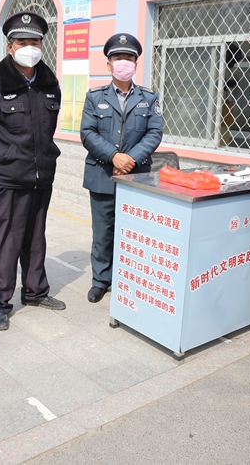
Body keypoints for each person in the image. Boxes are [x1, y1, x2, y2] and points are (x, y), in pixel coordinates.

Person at [0, 11, 66, 331]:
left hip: (41, 177)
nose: (29, 47)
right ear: (10, 47)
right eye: (22, 42)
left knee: (36, 239)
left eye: (35, 41)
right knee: (5, 242)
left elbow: (47, 130)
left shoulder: (50, 85)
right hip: (7, 180)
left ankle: (35, 292)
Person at [80, 33, 163, 303]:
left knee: (132, 231)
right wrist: (114, 157)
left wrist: (130, 160)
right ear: (109, 64)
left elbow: (154, 133)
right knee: (102, 232)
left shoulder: (149, 97)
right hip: (102, 174)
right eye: (118, 57)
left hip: (136, 176)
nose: (123, 62)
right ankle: (101, 281)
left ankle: (127, 278)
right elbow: (87, 133)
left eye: (129, 58)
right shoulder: (95, 97)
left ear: (136, 64)